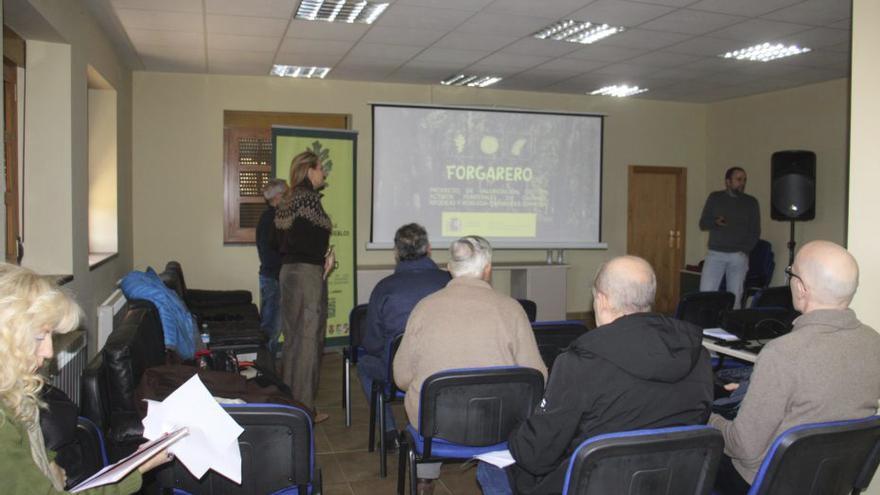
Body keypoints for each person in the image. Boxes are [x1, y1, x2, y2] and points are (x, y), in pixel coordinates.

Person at [477, 255, 713, 495]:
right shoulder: (698, 355)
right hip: (670, 483)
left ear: (601, 300)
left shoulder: (579, 363)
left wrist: (516, 431)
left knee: (489, 468)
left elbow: (536, 455)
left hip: (587, 485)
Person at [710, 240, 880, 495]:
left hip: (766, 482)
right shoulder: (873, 341)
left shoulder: (783, 352)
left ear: (801, 288)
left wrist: (709, 419)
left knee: (694, 453)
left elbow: (742, 447)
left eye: (791, 272)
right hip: (834, 480)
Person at [394, 235, 547, 495]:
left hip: (436, 431)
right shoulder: (512, 309)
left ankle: (425, 477)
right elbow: (538, 377)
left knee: (427, 399)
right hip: (500, 427)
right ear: (488, 269)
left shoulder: (424, 308)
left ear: (449, 268)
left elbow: (401, 378)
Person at [0, 263, 171, 493]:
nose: (50, 352)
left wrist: (49, 462)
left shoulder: (13, 389)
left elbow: (28, 445)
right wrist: (139, 469)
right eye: (40, 336)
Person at [358, 223, 450, 449]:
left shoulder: (384, 288)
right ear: (428, 249)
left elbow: (372, 343)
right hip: (445, 369)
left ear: (396, 253)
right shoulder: (450, 282)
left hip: (398, 373)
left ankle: (389, 431)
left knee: (365, 364)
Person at [274, 150, 335, 423]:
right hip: (307, 275)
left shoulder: (289, 198)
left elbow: (285, 240)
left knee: (293, 340)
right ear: (309, 170)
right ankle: (304, 411)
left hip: (288, 273)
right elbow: (308, 243)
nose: (324, 173)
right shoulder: (308, 199)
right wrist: (325, 260)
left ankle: (289, 403)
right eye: (321, 168)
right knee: (309, 342)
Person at [699, 166, 760, 308]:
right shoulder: (715, 198)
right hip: (716, 254)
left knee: (735, 297)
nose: (742, 183)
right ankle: (706, 326)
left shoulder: (751, 202)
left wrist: (745, 250)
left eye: (744, 180)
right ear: (728, 181)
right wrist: (715, 222)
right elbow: (703, 223)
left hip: (738, 256)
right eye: (738, 179)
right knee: (706, 294)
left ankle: (731, 327)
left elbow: (755, 231)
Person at [256, 178, 288, 356]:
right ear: (277, 197)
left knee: (273, 325)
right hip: (273, 279)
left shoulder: (271, 217)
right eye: (286, 194)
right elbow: (268, 254)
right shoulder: (271, 219)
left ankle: (267, 365)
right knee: (271, 327)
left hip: (273, 278)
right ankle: (265, 366)